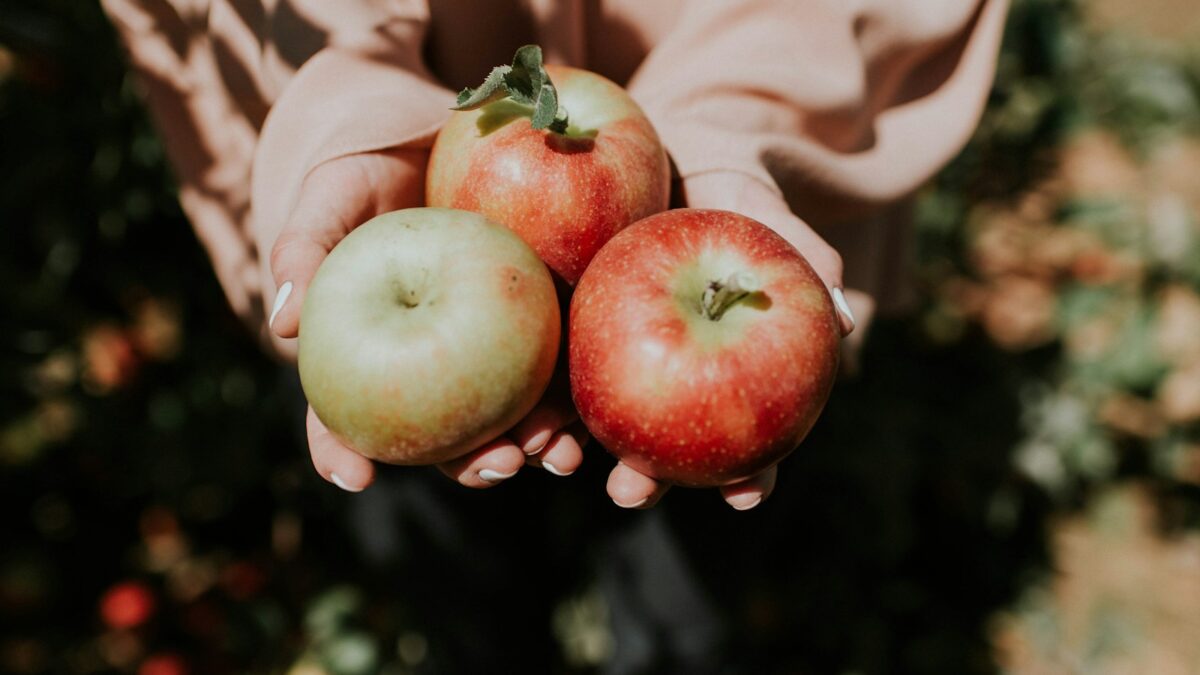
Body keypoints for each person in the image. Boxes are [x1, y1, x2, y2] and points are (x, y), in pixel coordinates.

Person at [103, 0, 1008, 669]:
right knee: (451, 572)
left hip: (719, 216)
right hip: (409, 237)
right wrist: (357, 107)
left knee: (688, 595)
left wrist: (722, 134)